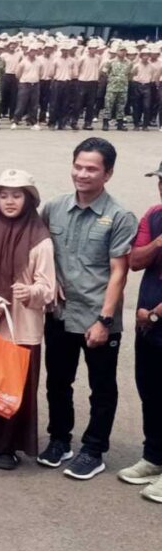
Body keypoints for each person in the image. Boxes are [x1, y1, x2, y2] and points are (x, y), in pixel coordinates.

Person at [39, 137, 137, 480]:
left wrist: (105, 320)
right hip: (60, 313)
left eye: (91, 169)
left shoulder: (119, 216)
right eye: (78, 166)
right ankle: (59, 440)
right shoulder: (54, 208)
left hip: (98, 316)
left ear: (107, 174)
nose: (82, 174)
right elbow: (41, 252)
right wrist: (50, 279)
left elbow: (119, 272)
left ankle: (94, 450)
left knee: (102, 387)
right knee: (57, 381)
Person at [0, 170, 56, 470]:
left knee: (15, 385)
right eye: (4, 195)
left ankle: (8, 447)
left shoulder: (40, 240)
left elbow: (48, 287)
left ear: (29, 199)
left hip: (22, 326)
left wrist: (30, 291)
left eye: (17, 195)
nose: (9, 201)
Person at [120, 160, 162, 502]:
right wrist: (159, 243)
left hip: (153, 317)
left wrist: (156, 314)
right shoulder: (153, 215)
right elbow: (135, 261)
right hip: (147, 324)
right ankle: (154, 457)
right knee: (150, 390)